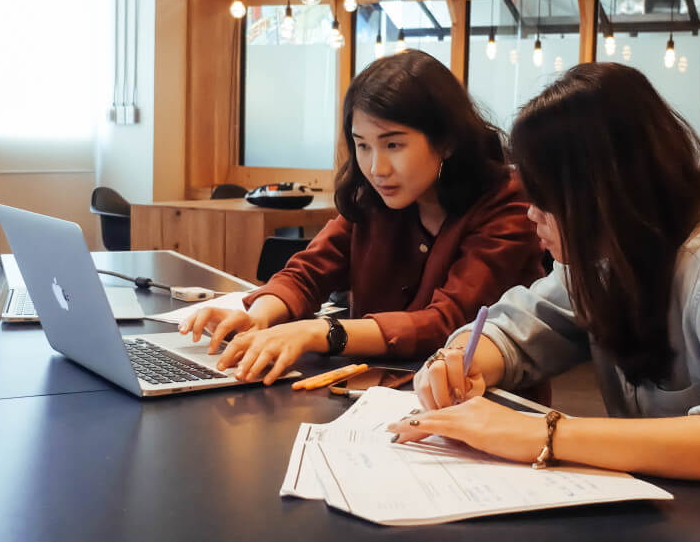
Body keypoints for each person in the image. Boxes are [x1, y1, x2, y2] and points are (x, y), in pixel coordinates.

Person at [388, 62, 700, 526]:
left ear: (600, 192)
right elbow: (525, 324)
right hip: (693, 509)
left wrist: (544, 433)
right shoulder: (606, 254)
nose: (530, 214)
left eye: (545, 199)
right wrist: (462, 361)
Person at [180, 50, 545, 385]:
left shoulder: (507, 202)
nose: (376, 167)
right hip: (372, 396)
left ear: (446, 141)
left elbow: (447, 322)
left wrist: (320, 332)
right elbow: (308, 272)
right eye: (362, 145)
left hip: (483, 405)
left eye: (393, 145)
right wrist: (260, 315)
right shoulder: (370, 198)